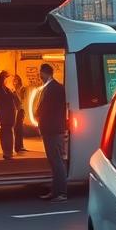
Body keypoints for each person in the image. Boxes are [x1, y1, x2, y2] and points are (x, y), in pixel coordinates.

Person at [36, 63, 68, 201]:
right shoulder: (50, 87)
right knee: (54, 161)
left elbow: (50, 109)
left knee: (57, 161)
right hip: (49, 129)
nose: (39, 76)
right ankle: (55, 191)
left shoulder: (55, 88)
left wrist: (39, 115)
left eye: (40, 73)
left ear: (44, 73)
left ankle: (61, 192)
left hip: (53, 130)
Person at [0, 71, 19, 161]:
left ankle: (7, 152)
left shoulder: (3, 90)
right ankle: (7, 152)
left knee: (6, 133)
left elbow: (16, 102)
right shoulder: (2, 91)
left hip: (6, 116)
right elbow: (16, 102)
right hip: (7, 116)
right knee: (7, 133)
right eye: (7, 78)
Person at [11, 74, 26, 154]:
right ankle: (18, 146)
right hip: (17, 111)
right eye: (14, 80)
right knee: (17, 129)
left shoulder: (22, 89)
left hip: (20, 110)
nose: (14, 82)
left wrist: (15, 93)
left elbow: (21, 100)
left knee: (19, 128)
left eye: (16, 80)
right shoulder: (14, 90)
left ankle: (20, 146)